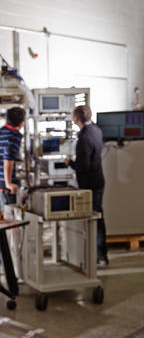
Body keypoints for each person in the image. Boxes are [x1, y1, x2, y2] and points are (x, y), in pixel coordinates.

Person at [65, 105, 107, 265]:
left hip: (90, 184)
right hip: (98, 180)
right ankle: (100, 253)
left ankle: (98, 254)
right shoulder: (96, 130)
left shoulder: (84, 138)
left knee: (95, 218)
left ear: (76, 118)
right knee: (98, 217)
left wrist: (70, 163)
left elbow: (83, 166)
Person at [0, 107, 26, 271]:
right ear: (21, 123)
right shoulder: (15, 136)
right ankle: (1, 262)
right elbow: (8, 159)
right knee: (6, 224)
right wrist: (9, 183)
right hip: (4, 187)